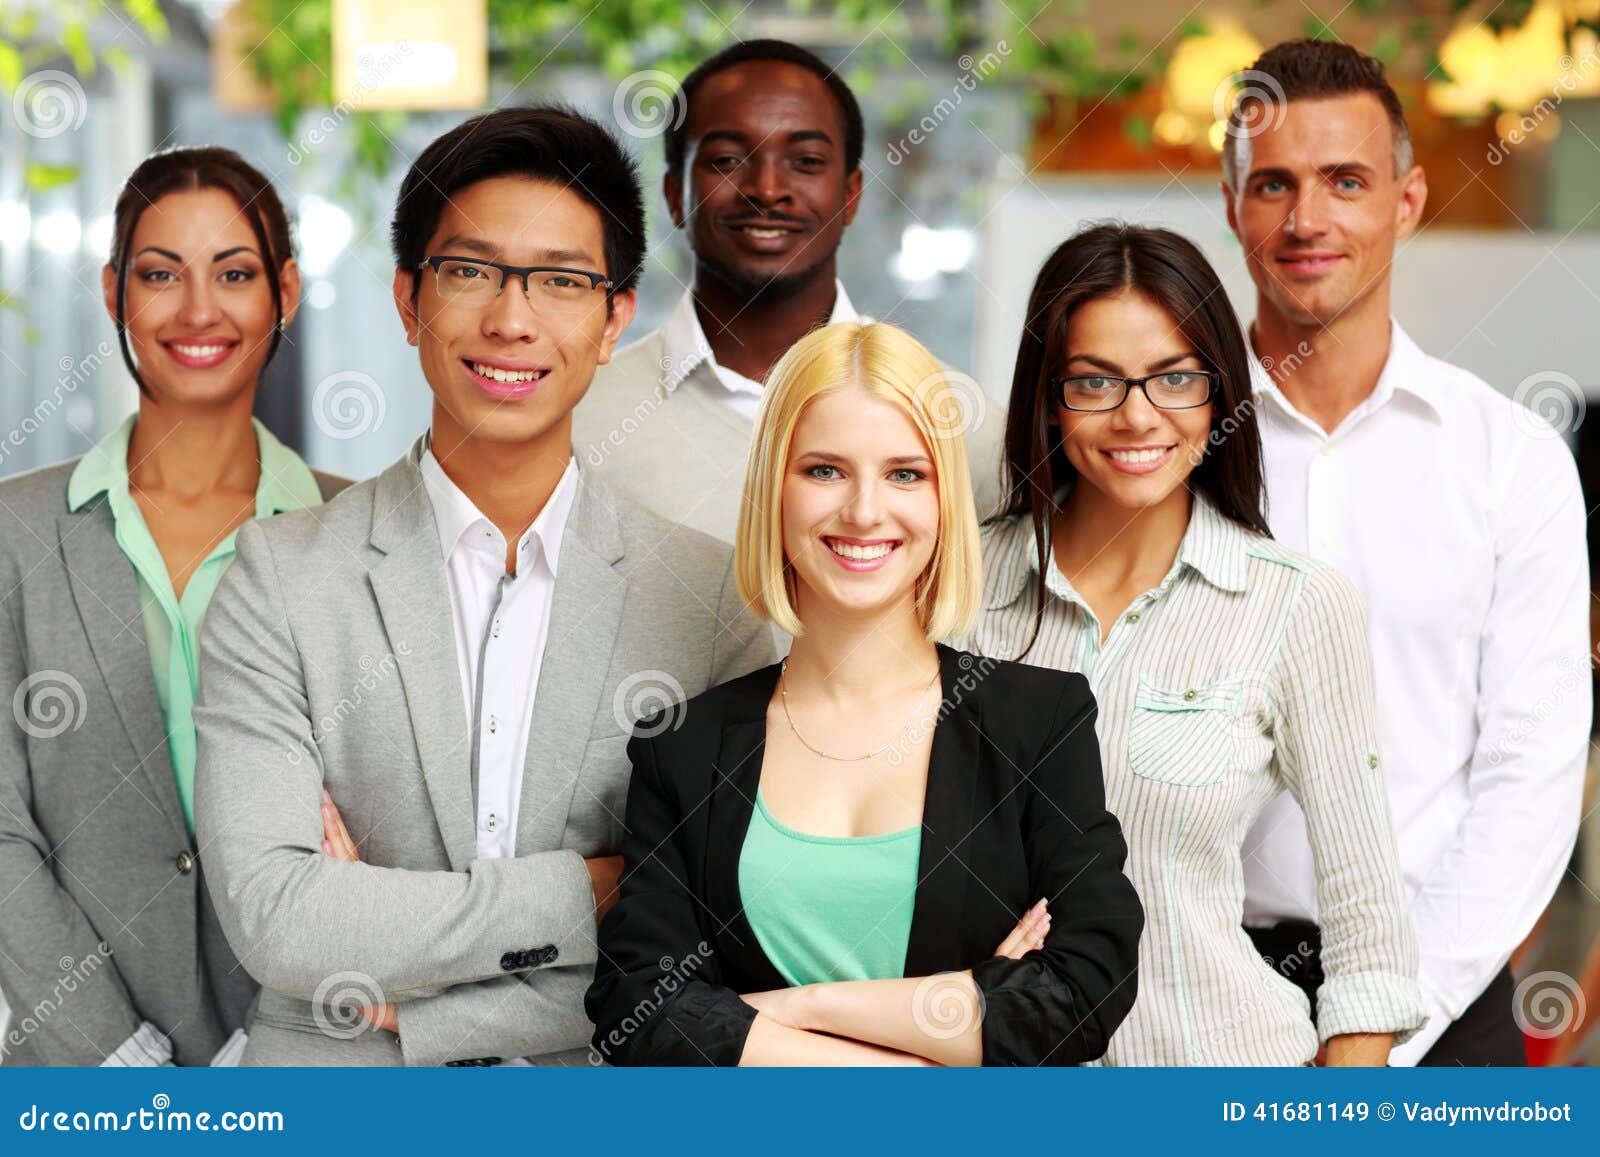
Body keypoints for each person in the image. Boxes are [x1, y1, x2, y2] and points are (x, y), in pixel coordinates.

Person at [191, 106, 776, 1066]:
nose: (512, 318)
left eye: (561, 281)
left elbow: (727, 928)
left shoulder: (714, 601)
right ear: (409, 300)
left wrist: (425, 1006)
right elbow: (281, 918)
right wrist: (599, 885)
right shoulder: (278, 577)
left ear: (613, 319)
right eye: (470, 271)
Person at [585, 320, 1142, 1066]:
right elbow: (643, 1014)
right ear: (773, 490)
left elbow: (1079, 994)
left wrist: (797, 1008)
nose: (864, 511)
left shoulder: (1038, 722)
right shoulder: (681, 746)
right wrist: (947, 1025)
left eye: (906, 474)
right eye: (824, 470)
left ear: (945, 502)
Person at [969, 223, 1422, 1065]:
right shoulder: (956, 588)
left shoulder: (1295, 604)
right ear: (1046, 393)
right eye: (1094, 381)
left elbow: (1369, 928)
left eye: (1175, 378)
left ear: (1219, 392)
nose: (1137, 415)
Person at [1222, 39, 1590, 1066]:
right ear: (1229, 201)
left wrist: (1386, 1018)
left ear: (1407, 200)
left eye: (1346, 181)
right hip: (1192, 1002)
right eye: (1275, 185)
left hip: (1440, 1001)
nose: (1307, 220)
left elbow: (1530, 770)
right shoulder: (1162, 450)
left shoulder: (1507, 459)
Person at [0, 146, 346, 1066]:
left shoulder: (361, 529)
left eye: (234, 274)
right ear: (115, 291)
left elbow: (396, 818)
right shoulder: (13, 535)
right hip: (72, 1077)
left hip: (316, 1063)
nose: (199, 311)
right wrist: (108, 1049)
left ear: (286, 291)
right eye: (161, 275)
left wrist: (283, 1036)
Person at [573, 39, 1008, 542]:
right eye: (728, 160)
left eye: (805, 161)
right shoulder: (581, 420)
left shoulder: (956, 422)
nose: (766, 188)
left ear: (850, 196)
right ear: (675, 196)